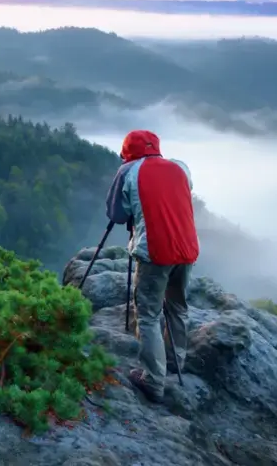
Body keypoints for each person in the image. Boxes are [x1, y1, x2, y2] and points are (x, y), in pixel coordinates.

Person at [105, 129, 199, 403]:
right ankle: (174, 361)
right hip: (187, 248)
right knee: (178, 306)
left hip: (155, 252)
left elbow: (116, 214)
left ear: (127, 151)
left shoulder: (129, 171)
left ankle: (153, 379)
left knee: (147, 314)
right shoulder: (179, 168)